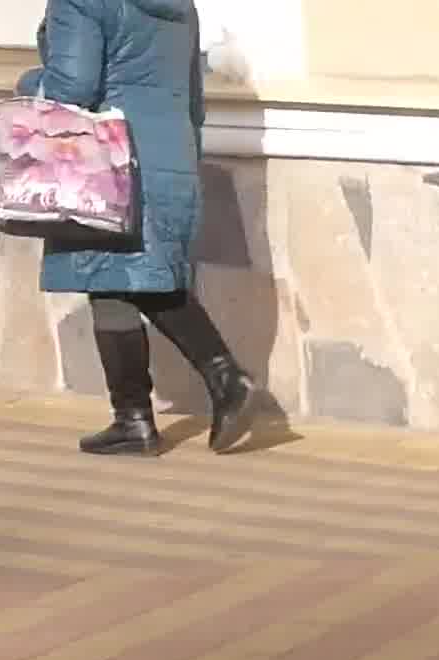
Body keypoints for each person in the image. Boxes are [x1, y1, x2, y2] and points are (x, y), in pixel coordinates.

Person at [22, 0, 256, 456]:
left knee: (134, 279)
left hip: (109, 158)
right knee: (114, 279)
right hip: (169, 153)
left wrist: (28, 85)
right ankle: (134, 419)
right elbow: (193, 100)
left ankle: (222, 376)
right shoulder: (180, 6)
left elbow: (72, 88)